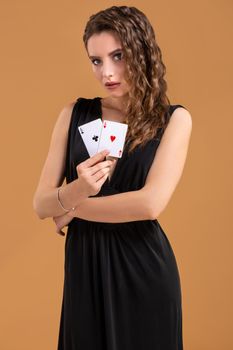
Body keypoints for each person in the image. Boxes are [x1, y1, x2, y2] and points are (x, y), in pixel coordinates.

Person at [33, 5, 192, 350]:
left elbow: (149, 204)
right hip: (84, 270)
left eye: (118, 56)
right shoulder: (74, 114)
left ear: (141, 52)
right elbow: (41, 204)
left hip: (143, 270)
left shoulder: (175, 120)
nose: (107, 72)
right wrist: (77, 189)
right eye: (96, 60)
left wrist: (73, 207)